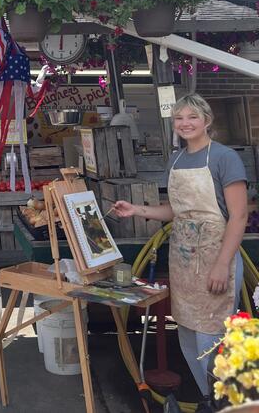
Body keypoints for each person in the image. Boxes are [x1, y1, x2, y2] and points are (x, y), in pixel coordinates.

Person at [114, 94, 247, 413]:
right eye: (178, 118)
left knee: (213, 336)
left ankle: (230, 403)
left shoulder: (225, 157)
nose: (185, 123)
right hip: (185, 258)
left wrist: (221, 264)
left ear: (207, 121)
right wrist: (138, 210)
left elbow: (239, 216)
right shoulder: (176, 160)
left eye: (192, 117)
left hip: (217, 256)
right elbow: (176, 210)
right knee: (186, 330)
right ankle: (207, 398)